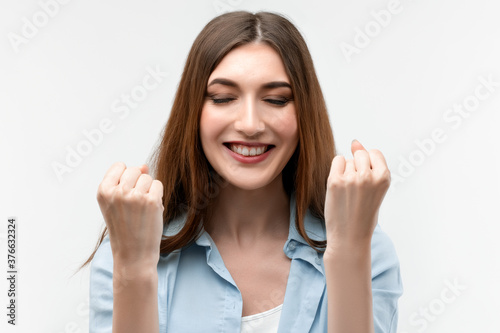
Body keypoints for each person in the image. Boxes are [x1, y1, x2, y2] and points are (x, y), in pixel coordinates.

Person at [82, 10, 403, 333]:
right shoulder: (125, 251)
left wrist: (348, 252)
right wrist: (134, 269)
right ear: (193, 111)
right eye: (223, 98)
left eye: (276, 100)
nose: (250, 124)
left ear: (304, 112)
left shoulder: (367, 250)